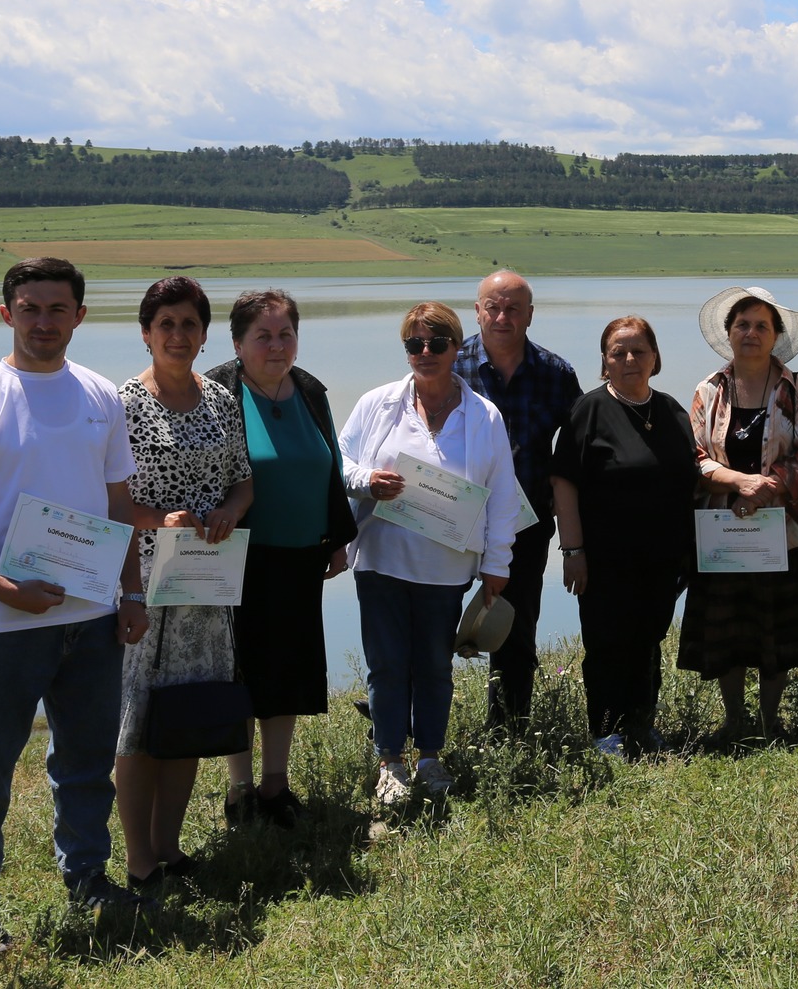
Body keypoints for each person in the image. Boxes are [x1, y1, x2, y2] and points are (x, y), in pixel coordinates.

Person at [0, 258, 192, 957]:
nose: (43, 321)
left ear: (79, 316)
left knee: (84, 765)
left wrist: (130, 592)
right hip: (8, 625)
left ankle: (88, 881)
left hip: (92, 621)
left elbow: (118, 505)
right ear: (7, 314)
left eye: (57, 309)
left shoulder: (100, 395)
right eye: (29, 307)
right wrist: (2, 587)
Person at [340, 302, 519, 805]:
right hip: (381, 560)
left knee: (435, 667)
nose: (425, 352)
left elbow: (503, 496)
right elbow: (340, 461)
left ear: (456, 348)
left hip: (447, 567)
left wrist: (497, 565)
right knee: (386, 666)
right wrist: (366, 480)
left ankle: (429, 759)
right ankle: (390, 762)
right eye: (414, 344)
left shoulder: (483, 416)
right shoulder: (377, 403)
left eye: (437, 343)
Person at [113, 277, 253, 892]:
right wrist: (156, 520)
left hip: (205, 586)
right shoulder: (120, 403)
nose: (177, 334)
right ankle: (139, 859)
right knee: (138, 726)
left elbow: (243, 480)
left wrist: (231, 512)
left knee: (187, 715)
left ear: (204, 335)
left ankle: (169, 847)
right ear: (146, 333)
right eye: (165, 323)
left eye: (189, 324)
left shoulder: (221, 398)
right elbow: (110, 498)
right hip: (142, 584)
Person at [205, 289, 358, 828]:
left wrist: (336, 536)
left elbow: (330, 463)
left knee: (286, 670)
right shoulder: (218, 392)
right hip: (235, 557)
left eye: (286, 334)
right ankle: (240, 790)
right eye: (262, 336)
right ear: (237, 343)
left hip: (300, 557)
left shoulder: (309, 389)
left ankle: (276, 785)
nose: (276, 346)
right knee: (241, 671)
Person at [550, 316, 699, 756]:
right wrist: (573, 550)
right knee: (606, 642)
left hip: (663, 555)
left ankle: (641, 723)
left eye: (639, 351)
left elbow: (689, 475)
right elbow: (563, 482)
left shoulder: (671, 410)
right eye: (619, 352)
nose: (629, 359)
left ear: (655, 357)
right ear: (605, 361)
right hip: (604, 557)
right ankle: (606, 731)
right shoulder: (589, 410)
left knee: (648, 640)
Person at [683, 286, 798, 746]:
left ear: (776, 335)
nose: (751, 333)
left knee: (772, 627)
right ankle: (733, 721)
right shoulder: (708, 390)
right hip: (720, 528)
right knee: (728, 628)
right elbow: (695, 455)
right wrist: (738, 484)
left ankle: (770, 721)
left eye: (762, 325)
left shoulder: (796, 388)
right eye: (742, 324)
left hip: (778, 530)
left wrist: (761, 492)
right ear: (728, 332)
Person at [453, 270, 583, 727]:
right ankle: (415, 725)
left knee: (514, 624)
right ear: (477, 311)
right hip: (453, 518)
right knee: (431, 619)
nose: (502, 317)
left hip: (525, 526)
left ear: (530, 315)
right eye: (493, 307)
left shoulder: (556, 374)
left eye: (513, 309)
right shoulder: (450, 364)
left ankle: (508, 729)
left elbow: (577, 453)